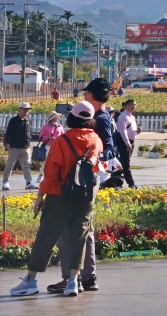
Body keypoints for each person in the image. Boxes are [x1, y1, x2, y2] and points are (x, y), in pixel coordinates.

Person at [8, 101, 101, 297]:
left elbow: (51, 174)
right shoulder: (96, 140)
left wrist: (40, 198)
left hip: (60, 196)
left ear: (73, 117)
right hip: (85, 197)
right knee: (79, 239)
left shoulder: (63, 141)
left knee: (46, 237)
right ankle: (73, 282)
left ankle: (31, 280)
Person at [48, 77, 117, 294]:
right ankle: (87, 277)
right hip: (87, 177)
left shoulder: (102, 118)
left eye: (86, 93)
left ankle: (71, 278)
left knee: (67, 228)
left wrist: (91, 159)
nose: (84, 95)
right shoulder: (95, 115)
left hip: (82, 177)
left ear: (92, 96)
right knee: (85, 228)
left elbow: (110, 150)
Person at [3, 102, 39, 191]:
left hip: (25, 148)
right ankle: (5, 182)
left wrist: (29, 144)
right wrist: (6, 143)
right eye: (25, 109)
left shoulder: (27, 121)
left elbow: (29, 134)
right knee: (10, 166)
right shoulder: (13, 121)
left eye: (27, 110)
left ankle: (29, 182)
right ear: (20, 109)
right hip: (14, 147)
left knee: (26, 166)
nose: (26, 111)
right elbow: (9, 133)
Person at [113, 99, 141, 188]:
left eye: (134, 105)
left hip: (130, 142)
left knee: (125, 162)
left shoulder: (131, 117)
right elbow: (122, 131)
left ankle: (114, 175)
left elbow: (131, 131)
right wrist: (127, 143)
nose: (133, 106)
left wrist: (137, 132)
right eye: (131, 105)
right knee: (126, 163)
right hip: (124, 142)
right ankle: (131, 183)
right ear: (125, 106)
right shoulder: (123, 116)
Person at [38, 112, 66, 181]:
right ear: (52, 118)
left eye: (57, 117)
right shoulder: (46, 127)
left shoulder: (60, 126)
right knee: (47, 161)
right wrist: (49, 137)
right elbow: (41, 137)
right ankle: (40, 176)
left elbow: (63, 135)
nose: (57, 118)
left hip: (58, 146)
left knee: (58, 161)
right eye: (56, 117)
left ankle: (55, 177)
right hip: (48, 146)